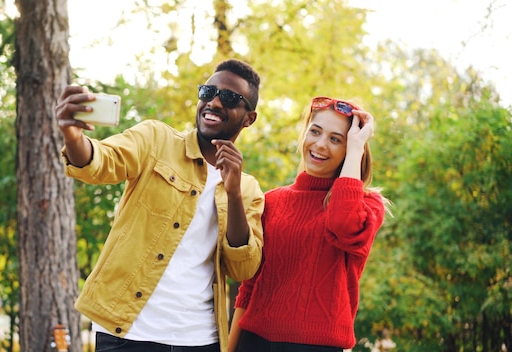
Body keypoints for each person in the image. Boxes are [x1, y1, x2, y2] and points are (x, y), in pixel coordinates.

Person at [54, 59, 264, 352]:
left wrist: (233, 194)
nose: (213, 102)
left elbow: (243, 268)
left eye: (228, 98)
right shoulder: (156, 140)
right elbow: (100, 162)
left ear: (248, 118)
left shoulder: (248, 188)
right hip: (127, 333)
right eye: (207, 92)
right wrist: (73, 137)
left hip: (199, 339)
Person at [228, 96, 391, 352]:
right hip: (254, 341)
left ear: (349, 149)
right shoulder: (270, 201)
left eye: (336, 139)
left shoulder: (367, 206)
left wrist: (357, 146)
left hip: (318, 346)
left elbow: (343, 223)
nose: (321, 145)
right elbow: (248, 287)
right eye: (315, 132)